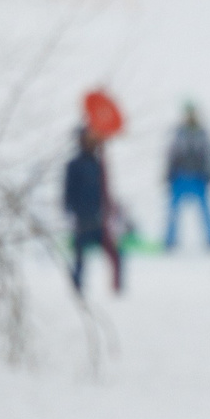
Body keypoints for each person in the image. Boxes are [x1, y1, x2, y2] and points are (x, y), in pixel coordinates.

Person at [62, 124, 119, 296]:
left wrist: (109, 207)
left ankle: (117, 289)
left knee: (115, 254)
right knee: (79, 256)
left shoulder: (98, 163)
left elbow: (105, 189)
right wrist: (70, 208)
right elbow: (68, 190)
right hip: (82, 217)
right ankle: (77, 288)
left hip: (99, 218)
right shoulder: (74, 164)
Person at [163, 104, 210, 250]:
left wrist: (209, 173)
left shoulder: (202, 133)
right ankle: (169, 240)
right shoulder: (179, 133)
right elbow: (171, 153)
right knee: (173, 209)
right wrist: (168, 173)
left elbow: (209, 154)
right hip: (180, 176)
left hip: (198, 177)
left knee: (206, 210)